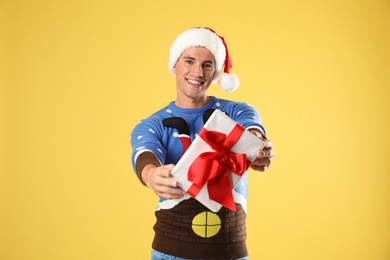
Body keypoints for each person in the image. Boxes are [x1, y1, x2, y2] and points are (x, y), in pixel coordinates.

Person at [130, 27, 274, 260]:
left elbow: (251, 126)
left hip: (230, 251)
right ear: (175, 64)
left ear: (216, 72)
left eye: (207, 64)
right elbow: (145, 154)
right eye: (189, 61)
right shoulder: (152, 124)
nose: (197, 72)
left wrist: (257, 144)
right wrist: (152, 175)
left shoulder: (235, 111)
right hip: (171, 252)